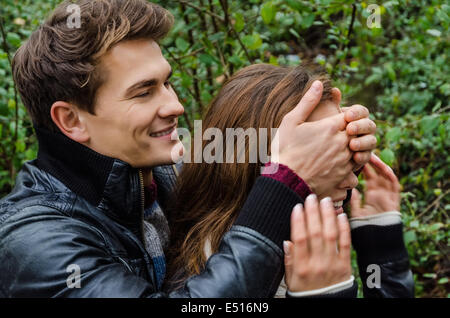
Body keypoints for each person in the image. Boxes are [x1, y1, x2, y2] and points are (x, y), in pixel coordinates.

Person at [0, 0, 377, 297]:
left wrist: (339, 144)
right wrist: (286, 181)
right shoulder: (34, 243)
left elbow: (242, 155)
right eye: (144, 91)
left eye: (168, 83)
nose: (175, 105)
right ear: (72, 120)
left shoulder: (160, 173)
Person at [166, 64, 414, 297]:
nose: (352, 182)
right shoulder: (202, 283)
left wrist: (382, 248)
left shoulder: (300, 251)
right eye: (324, 159)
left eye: (345, 158)